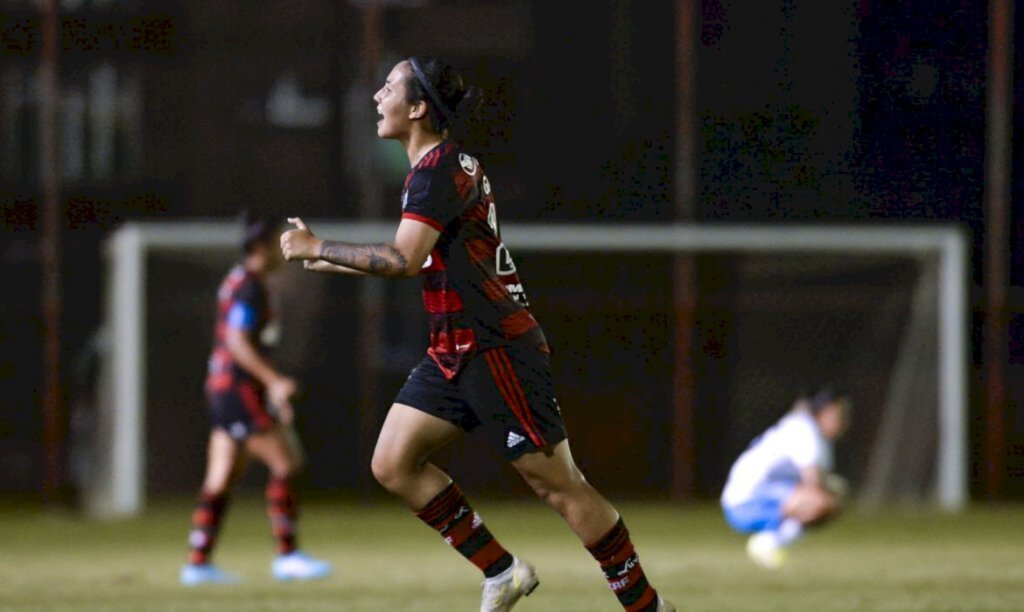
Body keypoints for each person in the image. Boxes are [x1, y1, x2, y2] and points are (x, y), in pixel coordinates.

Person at [280, 57, 675, 612]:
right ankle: (504, 571)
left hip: (496, 349)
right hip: (453, 352)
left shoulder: (438, 170)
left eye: (388, 88)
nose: (375, 96)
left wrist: (320, 248)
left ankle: (648, 607)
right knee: (392, 463)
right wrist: (333, 262)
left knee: (559, 487)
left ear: (417, 109)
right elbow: (417, 257)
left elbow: (402, 259)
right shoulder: (436, 166)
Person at [180, 211, 332, 586]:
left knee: (222, 476)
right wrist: (274, 382)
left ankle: (197, 563)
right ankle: (288, 556)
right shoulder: (250, 286)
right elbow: (237, 341)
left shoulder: (241, 281)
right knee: (287, 461)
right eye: (279, 241)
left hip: (223, 389)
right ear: (262, 247)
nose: (285, 250)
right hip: (237, 390)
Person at [720, 386, 851, 569]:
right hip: (744, 503)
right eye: (836, 416)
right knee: (823, 500)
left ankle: (769, 542)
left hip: (760, 498)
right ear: (820, 413)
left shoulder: (814, 434)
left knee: (829, 500)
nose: (842, 422)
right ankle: (766, 543)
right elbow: (813, 482)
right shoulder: (804, 429)